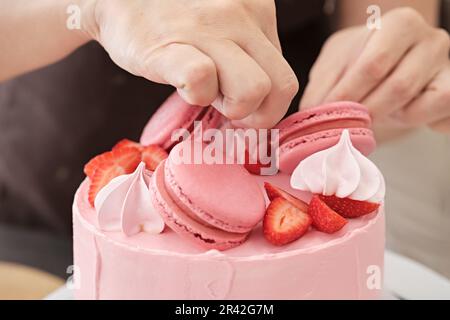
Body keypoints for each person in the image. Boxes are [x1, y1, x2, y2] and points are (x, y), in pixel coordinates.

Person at [0, 1, 449, 278]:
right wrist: (90, 9)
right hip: (28, 220)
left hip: (278, 192)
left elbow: (381, 31)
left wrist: (384, 80)